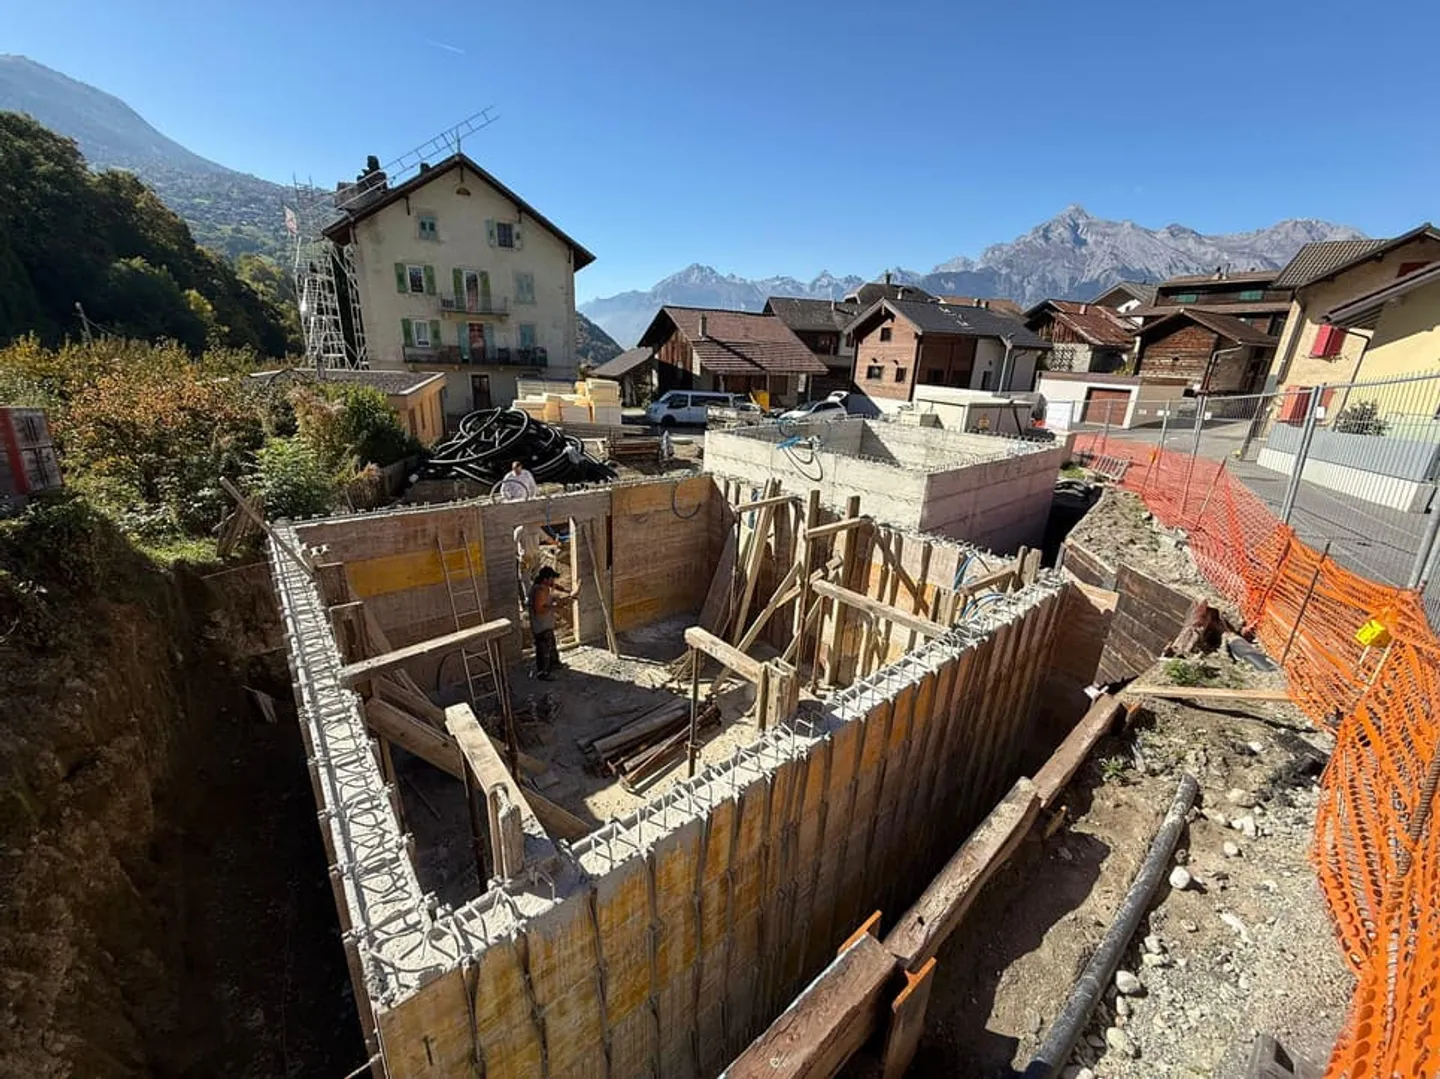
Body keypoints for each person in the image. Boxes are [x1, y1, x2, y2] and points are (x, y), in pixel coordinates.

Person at [526, 566, 569, 679]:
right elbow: (539, 610)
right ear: (546, 579)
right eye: (551, 579)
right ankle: (543, 673)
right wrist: (555, 605)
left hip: (545, 624)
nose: (553, 581)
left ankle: (554, 664)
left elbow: (555, 586)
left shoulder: (544, 585)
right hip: (540, 625)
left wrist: (567, 591)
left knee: (551, 646)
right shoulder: (540, 590)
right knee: (543, 649)